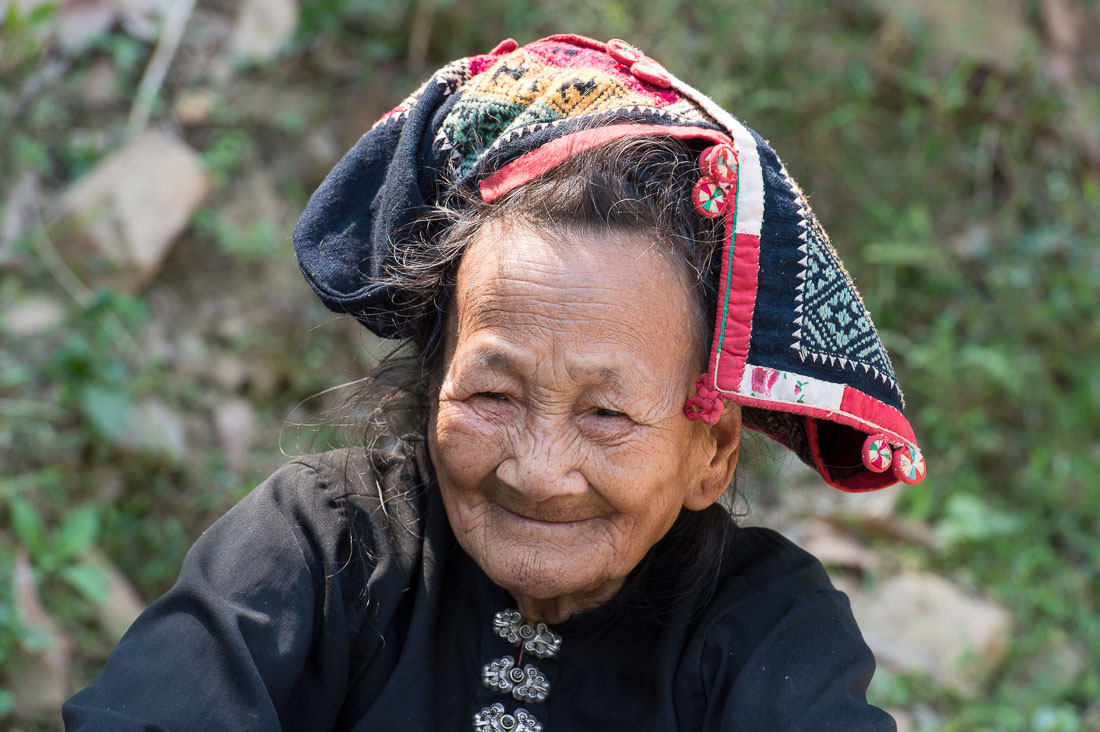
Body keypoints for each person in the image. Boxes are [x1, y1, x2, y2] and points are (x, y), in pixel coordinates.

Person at [63, 34, 926, 731]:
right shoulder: (321, 545)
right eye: (493, 395)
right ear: (435, 378)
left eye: (607, 413)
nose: (536, 470)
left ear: (713, 452)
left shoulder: (765, 629)